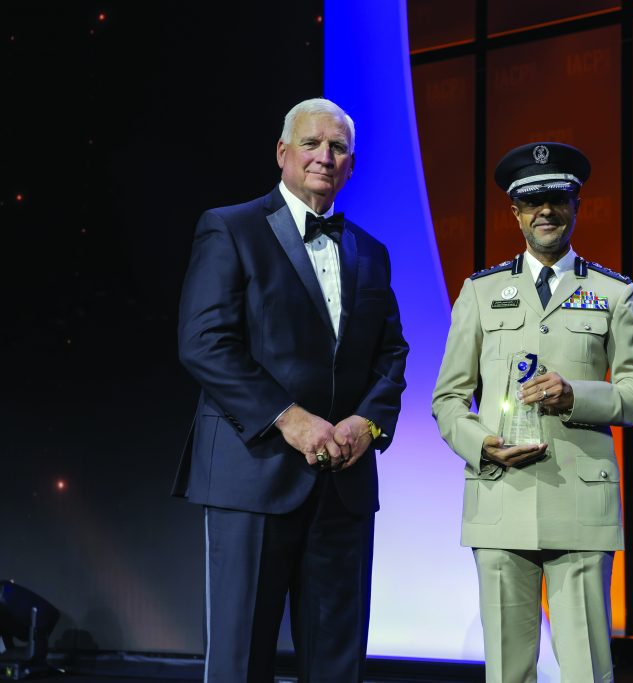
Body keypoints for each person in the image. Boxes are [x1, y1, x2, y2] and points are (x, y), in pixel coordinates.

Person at [173, 97, 408, 683]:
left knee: (337, 662)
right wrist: (288, 417)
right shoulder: (230, 228)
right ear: (283, 153)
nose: (324, 157)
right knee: (239, 659)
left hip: (344, 484)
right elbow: (204, 343)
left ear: (352, 164)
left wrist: (367, 423)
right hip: (252, 476)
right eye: (311, 144)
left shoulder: (371, 252)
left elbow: (392, 354)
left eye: (338, 148)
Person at [432, 141, 633, 682]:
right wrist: (481, 444)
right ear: (515, 213)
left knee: (587, 672)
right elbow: (447, 399)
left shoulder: (613, 292)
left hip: (580, 504)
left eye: (557, 198)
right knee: (507, 672)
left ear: (577, 204)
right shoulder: (480, 292)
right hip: (500, 498)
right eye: (533, 202)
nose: (546, 212)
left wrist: (577, 395)